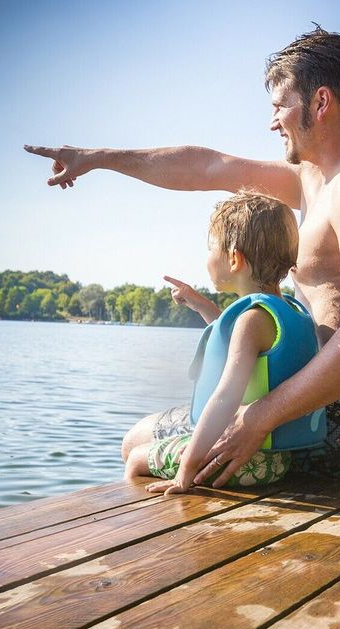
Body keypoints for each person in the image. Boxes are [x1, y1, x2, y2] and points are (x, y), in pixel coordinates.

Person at [25, 26, 340, 487]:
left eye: (280, 106)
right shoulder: (316, 180)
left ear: (321, 102)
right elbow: (209, 166)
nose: (273, 122)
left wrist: (257, 418)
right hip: (325, 414)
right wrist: (98, 157)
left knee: (135, 444)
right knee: (144, 441)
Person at [124, 191, 326, 494]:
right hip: (276, 460)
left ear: (234, 259)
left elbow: (225, 397)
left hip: (241, 458)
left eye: (211, 249)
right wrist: (201, 305)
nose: (207, 257)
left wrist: (186, 471)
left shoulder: (250, 321)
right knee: (147, 448)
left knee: (134, 457)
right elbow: (246, 349)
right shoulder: (287, 314)